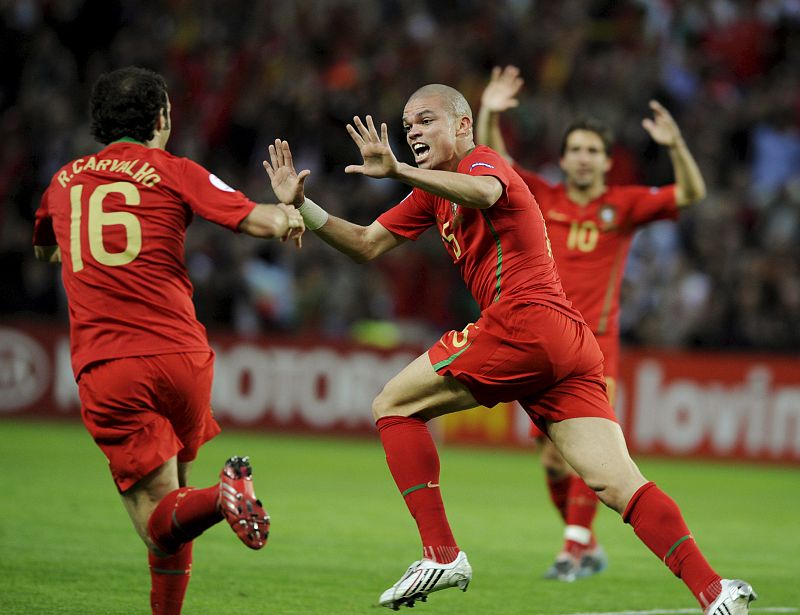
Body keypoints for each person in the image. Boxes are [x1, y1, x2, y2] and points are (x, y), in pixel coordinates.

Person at [262, 84, 756, 614]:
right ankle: (715, 592)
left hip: (524, 320)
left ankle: (442, 554)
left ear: (463, 126)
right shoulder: (432, 194)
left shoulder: (482, 161)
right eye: (408, 126)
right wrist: (304, 207)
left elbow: (487, 194)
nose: (413, 132)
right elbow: (364, 244)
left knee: (393, 405)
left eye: (426, 120)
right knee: (617, 483)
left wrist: (399, 172)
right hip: (568, 339)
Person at [32, 66, 304, 615]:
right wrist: (288, 210)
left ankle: (221, 496)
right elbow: (260, 223)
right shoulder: (175, 170)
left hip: (112, 364)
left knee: (156, 524)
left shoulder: (62, 182)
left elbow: (46, 249)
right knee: (174, 513)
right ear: (162, 118)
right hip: (184, 359)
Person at [476, 65, 709, 582]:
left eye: (592, 151)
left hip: (596, 346)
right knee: (554, 462)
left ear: (607, 162)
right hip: (540, 339)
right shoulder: (543, 196)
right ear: (563, 158)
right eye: (575, 149)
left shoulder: (622, 206)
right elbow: (495, 164)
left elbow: (691, 193)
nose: (583, 158)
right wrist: (490, 109)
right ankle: (587, 544)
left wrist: (676, 146)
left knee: (596, 448)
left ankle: (574, 547)